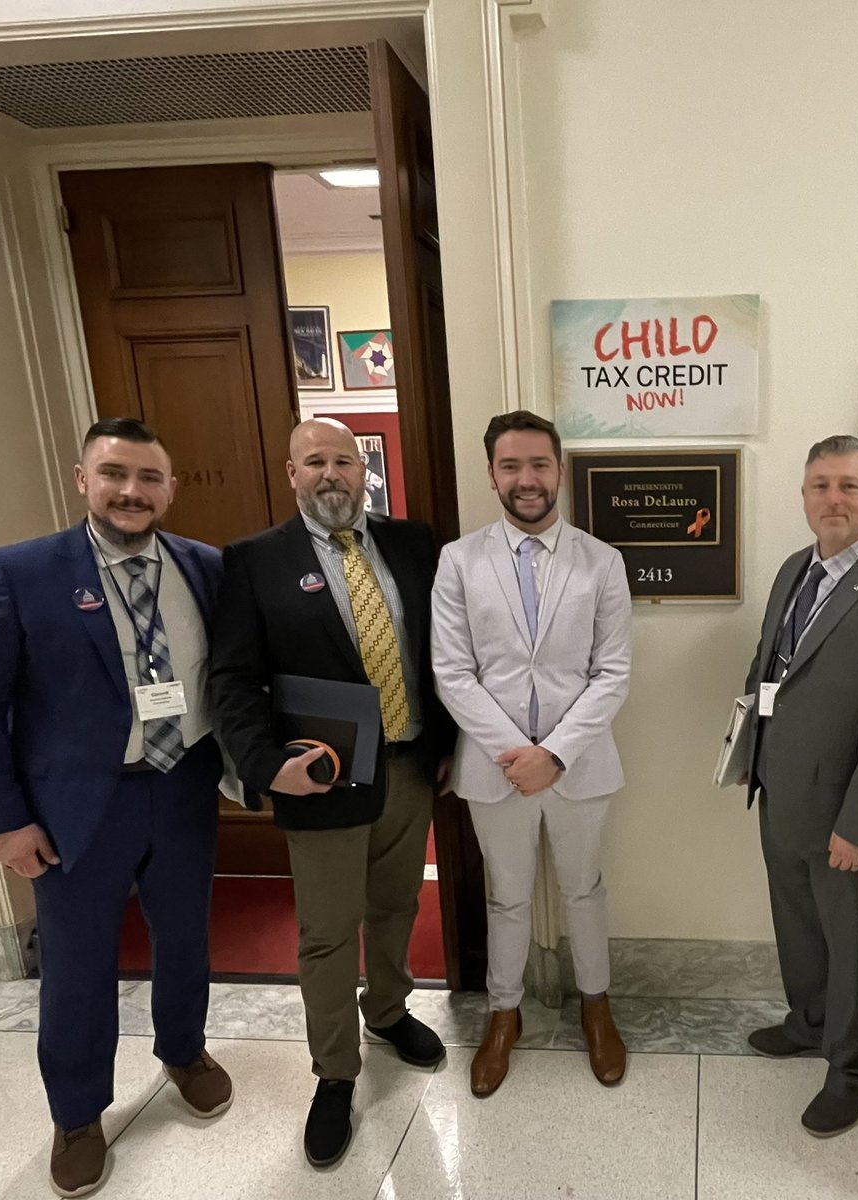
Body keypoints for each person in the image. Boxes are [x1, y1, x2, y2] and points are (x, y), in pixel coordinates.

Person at [0, 418, 232, 1198]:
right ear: (82, 479)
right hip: (77, 807)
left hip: (182, 786)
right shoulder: (16, 573)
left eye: (149, 478)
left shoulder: (207, 568)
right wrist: (4, 822)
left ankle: (184, 1050)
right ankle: (77, 1114)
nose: (131, 492)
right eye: (114, 473)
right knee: (77, 970)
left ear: (170, 488)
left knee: (186, 939)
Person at [209, 418, 454, 1169]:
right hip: (320, 779)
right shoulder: (253, 563)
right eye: (313, 461)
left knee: (397, 905)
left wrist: (449, 742)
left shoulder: (416, 546)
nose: (330, 474)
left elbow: (446, 651)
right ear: (291, 473)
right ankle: (335, 1074)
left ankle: (386, 1011)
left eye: (343, 460)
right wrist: (263, 765)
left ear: (363, 470)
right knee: (324, 933)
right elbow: (230, 679)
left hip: (412, 765)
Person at [431, 410, 632, 1097]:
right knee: (508, 898)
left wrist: (557, 753)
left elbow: (612, 671)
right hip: (496, 769)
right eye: (511, 466)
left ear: (559, 472)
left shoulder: (601, 562)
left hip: (579, 766)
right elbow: (451, 671)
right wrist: (516, 752)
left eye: (538, 465)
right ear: (491, 474)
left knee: (584, 890)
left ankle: (596, 1008)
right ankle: (503, 1014)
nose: (526, 480)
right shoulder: (458, 561)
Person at [740, 435, 858, 1137]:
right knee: (797, 926)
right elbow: (772, 674)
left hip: (845, 815)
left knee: (852, 945)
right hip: (780, 791)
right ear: (802, 496)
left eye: (849, 486)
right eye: (819, 485)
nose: (833, 499)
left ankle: (852, 1067)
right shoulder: (794, 569)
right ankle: (809, 1021)